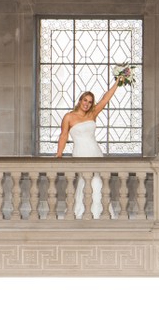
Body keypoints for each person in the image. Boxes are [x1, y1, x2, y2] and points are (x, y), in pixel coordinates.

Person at [56, 80, 120, 218]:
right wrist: (58, 155)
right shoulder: (69, 116)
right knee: (85, 180)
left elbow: (105, 98)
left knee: (98, 181)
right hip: (80, 152)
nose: (87, 104)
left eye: (90, 102)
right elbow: (63, 136)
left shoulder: (92, 114)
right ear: (80, 101)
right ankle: (82, 211)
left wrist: (118, 82)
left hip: (95, 151)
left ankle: (100, 213)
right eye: (85, 100)